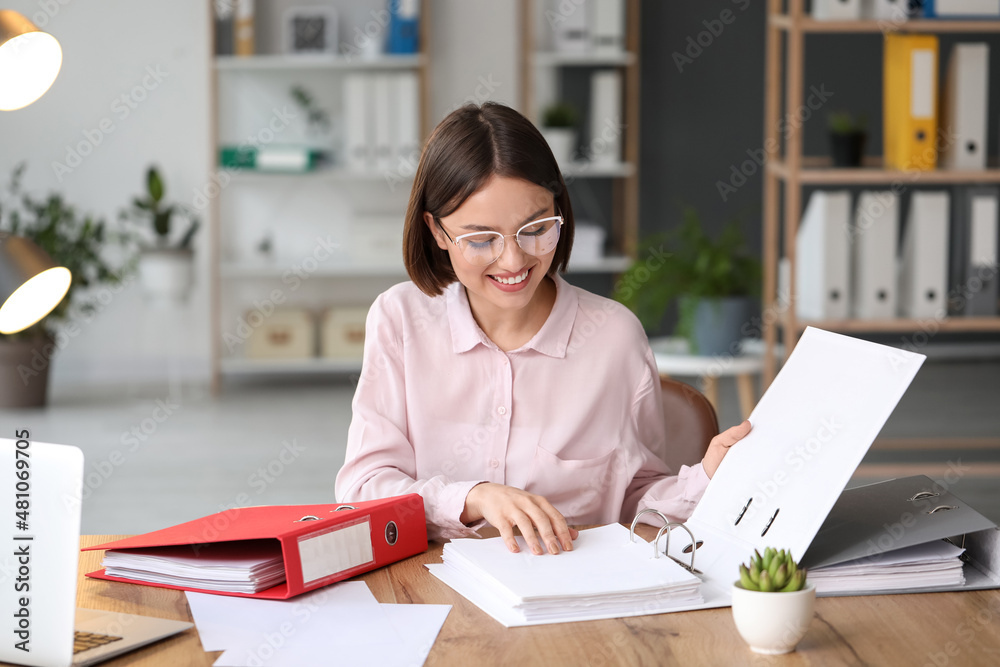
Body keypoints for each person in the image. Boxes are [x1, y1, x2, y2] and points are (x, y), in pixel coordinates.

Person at [335, 102, 751, 556]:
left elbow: (636, 500)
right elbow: (362, 488)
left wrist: (707, 477)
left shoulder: (614, 338)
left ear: (560, 210)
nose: (514, 261)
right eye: (480, 239)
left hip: (571, 593)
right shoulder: (400, 320)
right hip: (436, 583)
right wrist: (472, 497)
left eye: (536, 228)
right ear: (436, 231)